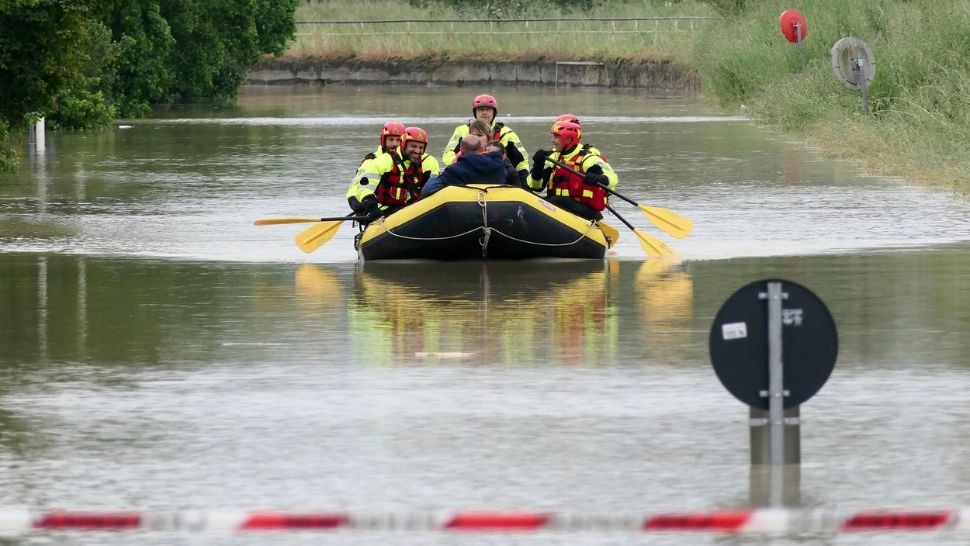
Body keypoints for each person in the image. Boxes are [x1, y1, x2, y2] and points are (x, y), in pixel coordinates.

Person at [527, 119, 617, 221]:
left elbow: (613, 178)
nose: (552, 140)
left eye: (556, 137)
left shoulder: (588, 158)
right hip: (558, 208)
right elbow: (535, 186)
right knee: (549, 201)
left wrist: (600, 178)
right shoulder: (553, 158)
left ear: (568, 140)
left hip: (585, 211)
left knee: (557, 201)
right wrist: (538, 165)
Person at [347, 126, 440, 221]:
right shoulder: (381, 161)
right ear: (403, 144)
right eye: (413, 146)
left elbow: (436, 186)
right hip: (384, 211)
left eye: (421, 147)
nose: (417, 151)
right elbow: (364, 189)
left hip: (412, 209)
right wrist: (371, 208)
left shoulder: (428, 162)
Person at [441, 94, 529, 185]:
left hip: (499, 177)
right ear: (475, 112)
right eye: (480, 109)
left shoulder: (507, 133)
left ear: (494, 112)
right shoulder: (461, 131)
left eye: (488, 109)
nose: (484, 112)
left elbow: (521, 161)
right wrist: (458, 166)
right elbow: (448, 154)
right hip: (468, 174)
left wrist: (524, 181)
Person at [346, 121, 406, 218]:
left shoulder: (408, 162)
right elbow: (355, 187)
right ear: (383, 140)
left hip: (400, 209)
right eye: (391, 140)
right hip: (376, 211)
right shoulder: (371, 161)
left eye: (398, 140)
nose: (395, 144)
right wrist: (357, 204)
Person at [421, 134, 510, 197]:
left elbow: (427, 190)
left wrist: (435, 177)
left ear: (461, 151)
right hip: (496, 209)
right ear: (481, 149)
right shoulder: (500, 166)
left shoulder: (455, 170)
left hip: (465, 211)